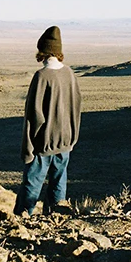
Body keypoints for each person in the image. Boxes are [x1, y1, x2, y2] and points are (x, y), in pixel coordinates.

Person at [14, 26, 82, 216]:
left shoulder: (41, 76)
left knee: (32, 183)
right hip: (65, 140)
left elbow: (33, 116)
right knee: (58, 182)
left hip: (44, 143)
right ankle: (55, 218)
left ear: (42, 51)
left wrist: (28, 148)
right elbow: (76, 107)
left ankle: (21, 220)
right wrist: (72, 137)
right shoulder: (69, 73)